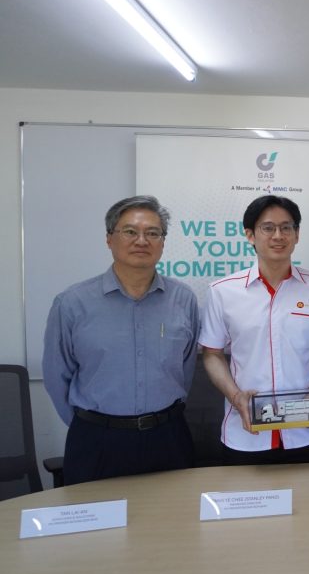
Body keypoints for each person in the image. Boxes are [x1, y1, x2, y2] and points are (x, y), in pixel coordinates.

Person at [43, 195, 200, 485]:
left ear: (162, 242)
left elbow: (186, 369)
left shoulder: (183, 300)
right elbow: (56, 376)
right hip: (96, 440)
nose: (142, 240)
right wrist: (93, 425)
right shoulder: (72, 303)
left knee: (172, 513)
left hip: (168, 436)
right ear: (109, 239)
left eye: (152, 233)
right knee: (96, 514)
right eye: (130, 231)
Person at [200, 195, 309, 464]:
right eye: (268, 228)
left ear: (297, 234)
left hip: (306, 430)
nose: (278, 236)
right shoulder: (222, 292)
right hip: (245, 432)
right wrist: (235, 396)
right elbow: (212, 354)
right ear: (250, 235)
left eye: (286, 227)